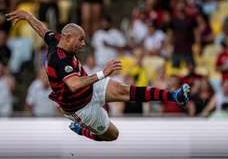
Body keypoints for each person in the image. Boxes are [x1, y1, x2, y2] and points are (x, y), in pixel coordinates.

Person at [6, 10, 190, 141]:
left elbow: (41, 29)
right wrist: (103, 73)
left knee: (125, 90)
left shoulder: (56, 39)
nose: (84, 44)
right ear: (68, 37)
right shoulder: (58, 59)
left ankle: (175, 96)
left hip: (90, 88)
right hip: (80, 108)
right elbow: (74, 84)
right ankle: (82, 130)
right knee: (112, 135)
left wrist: (27, 16)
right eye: (81, 39)